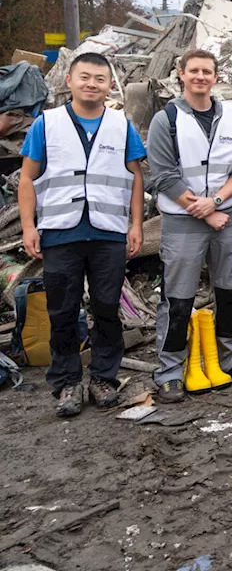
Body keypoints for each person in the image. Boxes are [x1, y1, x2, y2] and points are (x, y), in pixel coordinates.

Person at [18, 52, 145, 417]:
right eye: (85, 77)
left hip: (108, 233)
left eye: (100, 79)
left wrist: (136, 225)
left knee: (106, 308)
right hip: (61, 233)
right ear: (69, 81)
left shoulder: (121, 125)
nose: (92, 84)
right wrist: (29, 226)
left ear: (109, 85)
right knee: (62, 311)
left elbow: (135, 177)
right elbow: (27, 178)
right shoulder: (48, 123)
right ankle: (68, 383)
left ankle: (104, 377)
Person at [147, 49, 232, 403]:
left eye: (206, 71)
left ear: (215, 76)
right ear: (181, 74)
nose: (200, 76)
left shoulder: (231, 117)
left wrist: (218, 201)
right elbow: (163, 176)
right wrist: (205, 210)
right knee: (177, 298)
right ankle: (169, 372)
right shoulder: (166, 120)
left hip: (227, 217)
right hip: (183, 222)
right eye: (193, 70)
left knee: (229, 291)